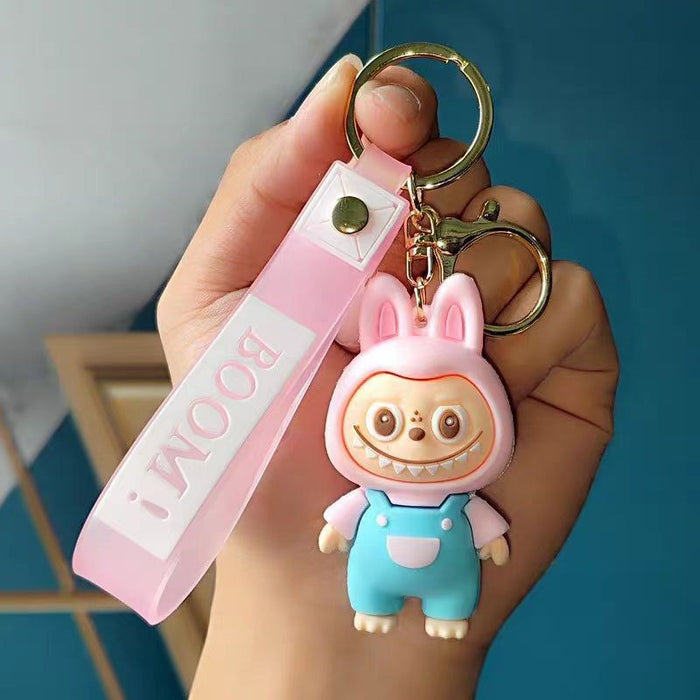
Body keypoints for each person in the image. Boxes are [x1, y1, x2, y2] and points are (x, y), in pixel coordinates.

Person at [156, 54, 619, 699]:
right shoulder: (374, 494)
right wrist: (293, 599)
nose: (419, 439)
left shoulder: (459, 494)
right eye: (385, 420)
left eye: (450, 422)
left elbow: (479, 522)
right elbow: (349, 518)